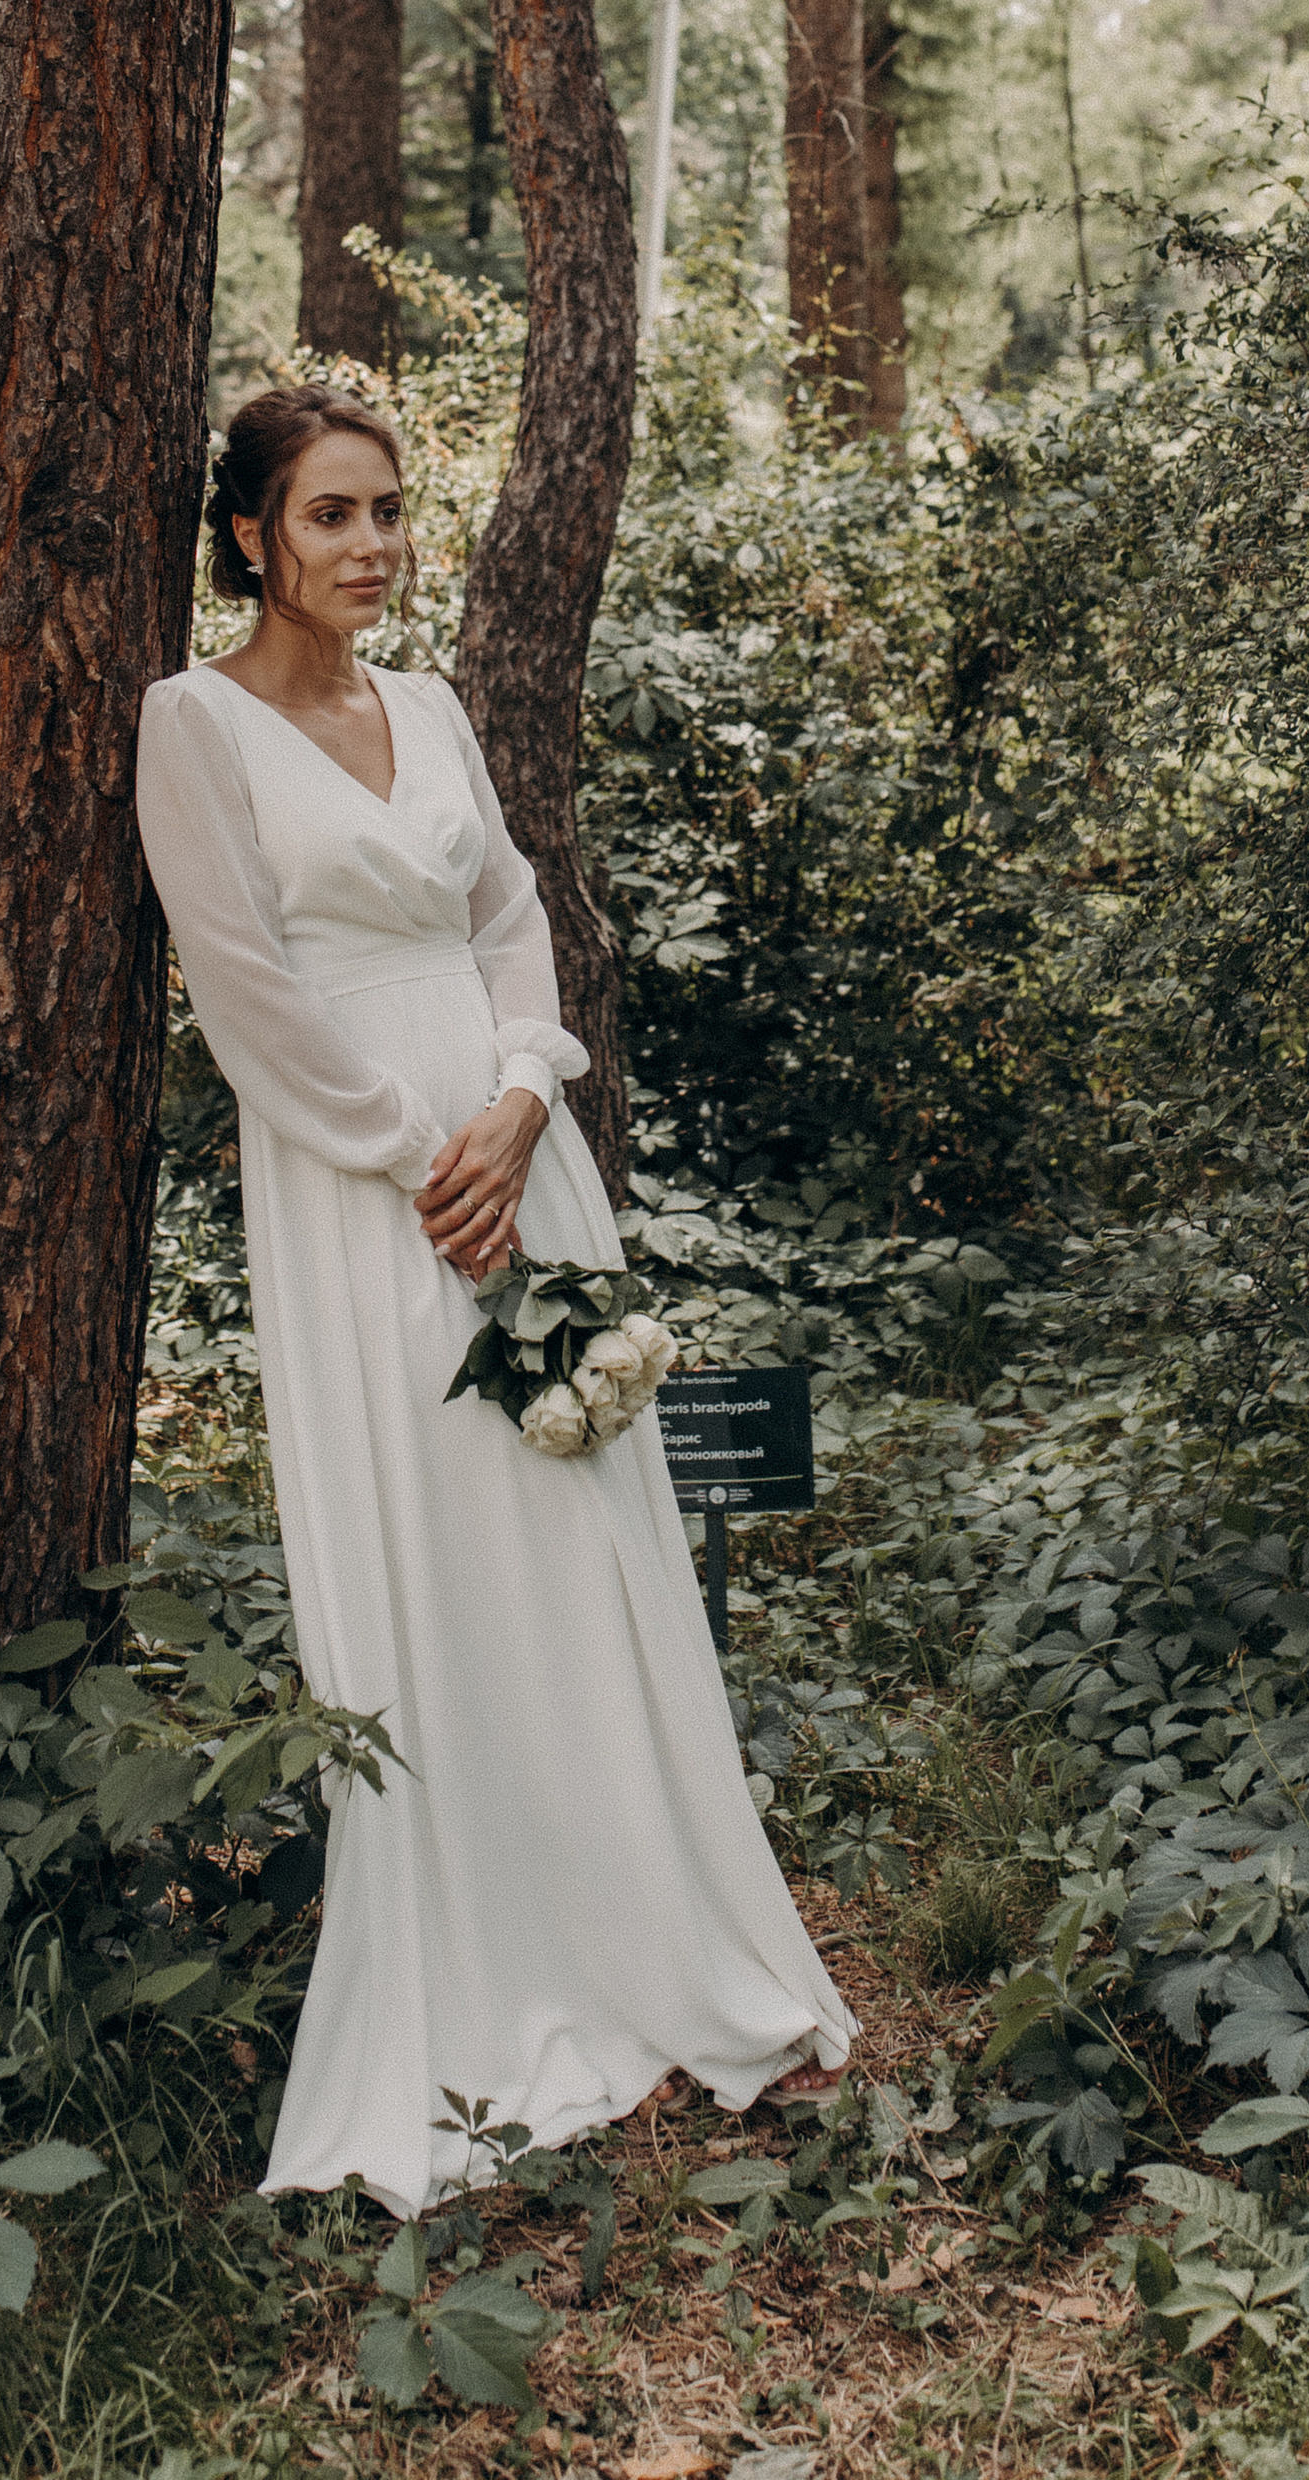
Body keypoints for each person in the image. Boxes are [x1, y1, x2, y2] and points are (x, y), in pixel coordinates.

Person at [133, 385, 852, 2217]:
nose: (370, 547)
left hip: (516, 1160)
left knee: (576, 1530)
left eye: (385, 512)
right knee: (435, 1544)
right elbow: (243, 991)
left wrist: (521, 1098)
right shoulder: (193, 727)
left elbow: (515, 913)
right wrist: (407, 1152)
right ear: (252, 538)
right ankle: (482, 1955)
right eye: (330, 518)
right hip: (363, 1188)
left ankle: (650, 1931)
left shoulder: (434, 706)